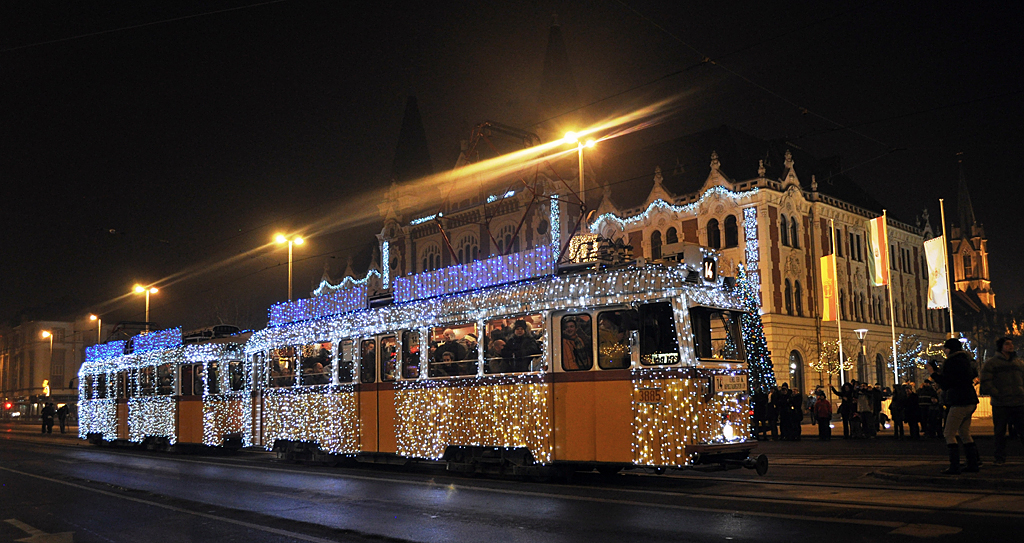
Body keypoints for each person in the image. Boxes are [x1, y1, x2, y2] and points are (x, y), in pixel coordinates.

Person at [930, 338, 981, 474]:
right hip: (969, 398)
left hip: (959, 400)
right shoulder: (966, 360)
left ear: (949, 349)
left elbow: (947, 383)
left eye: (945, 349)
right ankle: (973, 463)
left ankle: (955, 466)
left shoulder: (952, 361)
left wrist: (933, 374)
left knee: (949, 433)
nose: (944, 351)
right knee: (964, 432)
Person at [980, 336, 1024, 465]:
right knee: (999, 432)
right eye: (1007, 344)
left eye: (1011, 344)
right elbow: (986, 381)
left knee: (1022, 430)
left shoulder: (1019, 363)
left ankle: (1000, 456)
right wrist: (996, 393)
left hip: (1018, 401)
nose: (1011, 346)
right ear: (1001, 347)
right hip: (1001, 403)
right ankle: (999, 457)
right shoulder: (992, 363)